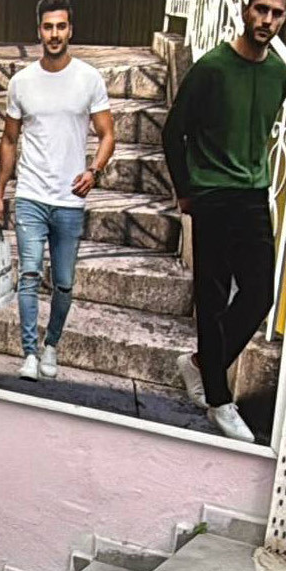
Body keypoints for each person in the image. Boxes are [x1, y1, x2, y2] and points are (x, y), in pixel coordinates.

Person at [162, 0, 286, 442]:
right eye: (261, 10)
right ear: (242, 10)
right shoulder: (212, 67)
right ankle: (219, 398)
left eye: (277, 13)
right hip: (212, 193)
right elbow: (173, 131)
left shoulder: (278, 71)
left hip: (254, 192)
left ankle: (198, 365)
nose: (267, 22)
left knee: (259, 294)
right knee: (211, 299)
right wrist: (185, 191)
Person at [0, 0, 114, 383]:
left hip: (69, 200)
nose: (55, 34)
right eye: (48, 27)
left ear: (70, 30)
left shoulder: (88, 78)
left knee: (63, 281)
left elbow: (108, 133)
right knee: (29, 275)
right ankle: (29, 352)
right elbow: (9, 140)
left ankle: (51, 346)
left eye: (61, 27)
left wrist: (94, 171)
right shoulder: (22, 81)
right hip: (30, 194)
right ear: (39, 31)